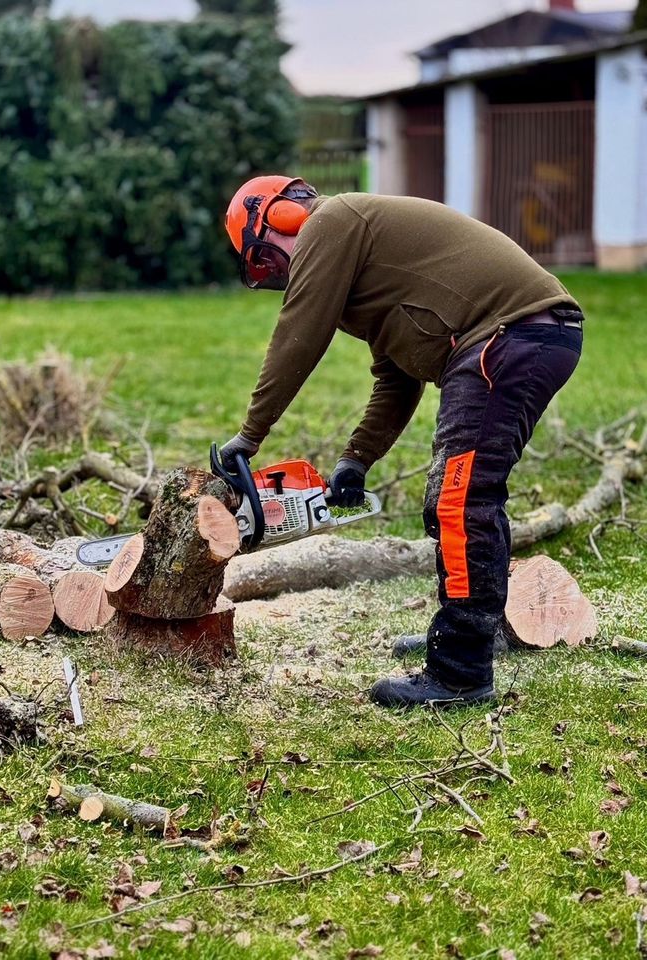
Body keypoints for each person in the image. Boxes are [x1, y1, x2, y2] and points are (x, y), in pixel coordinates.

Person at [219, 175, 584, 709]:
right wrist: (355, 459)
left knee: (461, 501)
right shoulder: (365, 267)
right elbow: (397, 377)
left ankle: (460, 671)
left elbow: (300, 331)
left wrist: (249, 436)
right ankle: (475, 632)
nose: (279, 276)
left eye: (267, 261)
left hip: (509, 337)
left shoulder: (332, 221)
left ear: (279, 217)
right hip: (521, 337)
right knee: (463, 498)